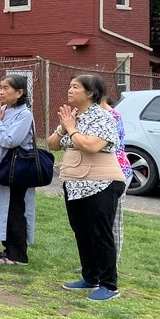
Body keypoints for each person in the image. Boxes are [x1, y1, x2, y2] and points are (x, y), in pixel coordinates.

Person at [49, 74, 126, 301]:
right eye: (70, 86)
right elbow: (52, 144)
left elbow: (91, 146)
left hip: (101, 183)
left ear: (90, 93)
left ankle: (109, 285)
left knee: (100, 233)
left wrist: (71, 129)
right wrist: (64, 128)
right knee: (81, 231)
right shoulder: (73, 116)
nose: (70, 90)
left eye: (75, 87)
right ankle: (90, 277)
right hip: (75, 184)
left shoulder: (103, 117)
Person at [0, 75, 37, 266]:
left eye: (6, 88)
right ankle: (8, 247)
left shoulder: (25, 114)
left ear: (19, 93)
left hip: (16, 169)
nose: (1, 92)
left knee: (14, 208)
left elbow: (11, 140)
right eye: (0, 87)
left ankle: (18, 254)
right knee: (3, 206)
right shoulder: (3, 110)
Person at [101, 96, 132, 262]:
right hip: (100, 174)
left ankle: (112, 264)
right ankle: (95, 262)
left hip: (118, 173)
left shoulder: (112, 116)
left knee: (114, 222)